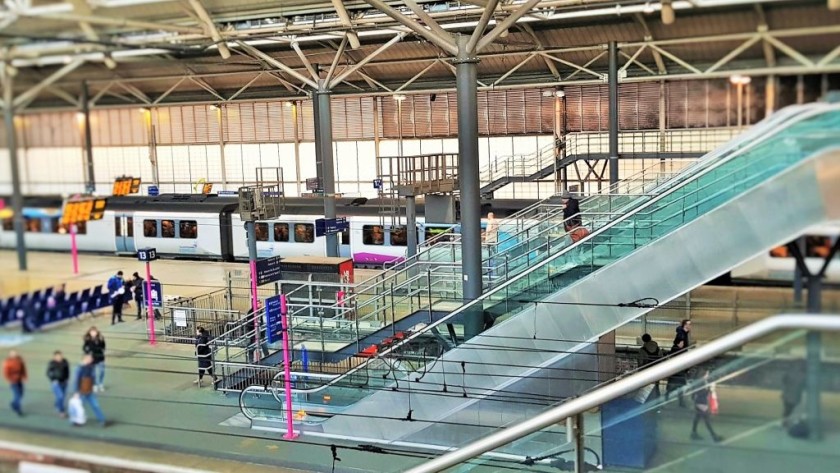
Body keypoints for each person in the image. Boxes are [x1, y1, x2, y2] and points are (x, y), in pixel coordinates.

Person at [690, 368, 723, 442]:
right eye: (707, 374)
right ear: (703, 374)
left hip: (699, 402)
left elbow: (694, 393)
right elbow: (701, 393)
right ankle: (714, 436)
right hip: (701, 403)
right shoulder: (701, 382)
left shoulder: (701, 381)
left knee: (697, 418)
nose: (708, 375)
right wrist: (709, 390)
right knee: (707, 420)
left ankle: (693, 433)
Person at [666, 320, 692, 406]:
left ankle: (668, 397)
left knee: (674, 382)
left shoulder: (682, 332)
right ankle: (679, 401)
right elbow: (680, 346)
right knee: (679, 382)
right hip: (679, 362)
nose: (690, 326)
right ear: (685, 325)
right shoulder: (682, 334)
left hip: (676, 362)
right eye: (688, 324)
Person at [75, 354, 106, 427]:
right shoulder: (80, 368)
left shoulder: (91, 367)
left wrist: (94, 386)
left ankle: (102, 420)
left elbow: (93, 377)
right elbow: (77, 380)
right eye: (89, 358)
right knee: (80, 406)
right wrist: (77, 391)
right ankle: (77, 420)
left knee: (95, 405)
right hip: (82, 391)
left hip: (89, 390)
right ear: (85, 359)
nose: (91, 359)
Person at [781, 361, 806, 428]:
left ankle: (786, 422)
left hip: (790, 396)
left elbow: (784, 382)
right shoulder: (802, 375)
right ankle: (787, 422)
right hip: (793, 396)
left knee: (788, 410)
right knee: (789, 410)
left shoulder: (790, 373)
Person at [47, 351, 70, 417]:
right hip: (56, 383)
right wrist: (53, 380)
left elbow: (67, 371)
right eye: (58, 356)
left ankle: (57, 404)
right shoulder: (52, 363)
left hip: (64, 382)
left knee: (62, 396)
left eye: (61, 356)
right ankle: (61, 411)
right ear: (54, 357)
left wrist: (67, 378)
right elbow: (48, 373)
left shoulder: (65, 362)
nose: (60, 357)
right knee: (60, 396)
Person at [3, 350, 26, 416]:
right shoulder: (7, 362)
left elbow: (23, 368)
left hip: (19, 379)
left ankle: (13, 403)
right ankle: (18, 410)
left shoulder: (20, 359)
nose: (14, 355)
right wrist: (10, 379)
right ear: (10, 355)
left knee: (21, 394)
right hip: (13, 381)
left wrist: (24, 376)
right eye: (12, 354)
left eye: (15, 353)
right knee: (17, 395)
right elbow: (6, 373)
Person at [82, 327, 106, 392]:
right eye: (92, 332)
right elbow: (84, 347)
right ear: (90, 332)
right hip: (92, 358)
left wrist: (100, 349)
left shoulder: (100, 338)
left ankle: (100, 384)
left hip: (100, 357)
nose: (93, 333)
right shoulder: (88, 339)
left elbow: (103, 347)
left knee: (102, 371)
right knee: (93, 373)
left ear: (97, 332)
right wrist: (87, 353)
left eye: (94, 332)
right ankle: (95, 384)